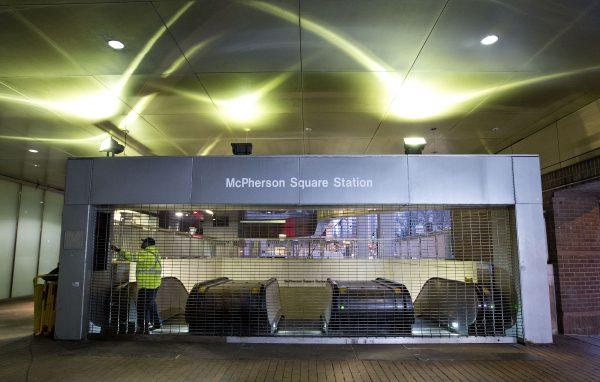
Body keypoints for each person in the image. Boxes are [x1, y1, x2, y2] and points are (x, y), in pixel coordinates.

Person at [111, 237, 162, 334]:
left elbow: (132, 257)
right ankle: (156, 323)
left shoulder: (145, 254)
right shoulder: (156, 254)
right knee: (151, 304)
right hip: (155, 285)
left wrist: (118, 250)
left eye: (143, 242)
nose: (141, 244)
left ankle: (143, 329)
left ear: (147, 243)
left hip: (147, 286)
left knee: (142, 307)